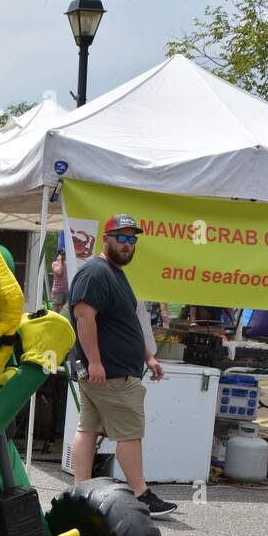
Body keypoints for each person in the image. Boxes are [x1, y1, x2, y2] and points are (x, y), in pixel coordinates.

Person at [68, 214, 176, 518]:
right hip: (110, 373)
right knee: (129, 433)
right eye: (121, 237)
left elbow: (126, 323)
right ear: (106, 238)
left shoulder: (114, 273)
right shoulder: (95, 273)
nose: (127, 245)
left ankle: (81, 492)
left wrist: (148, 357)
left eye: (132, 239)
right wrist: (95, 362)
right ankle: (141, 494)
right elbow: (83, 318)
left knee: (87, 428)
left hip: (109, 370)